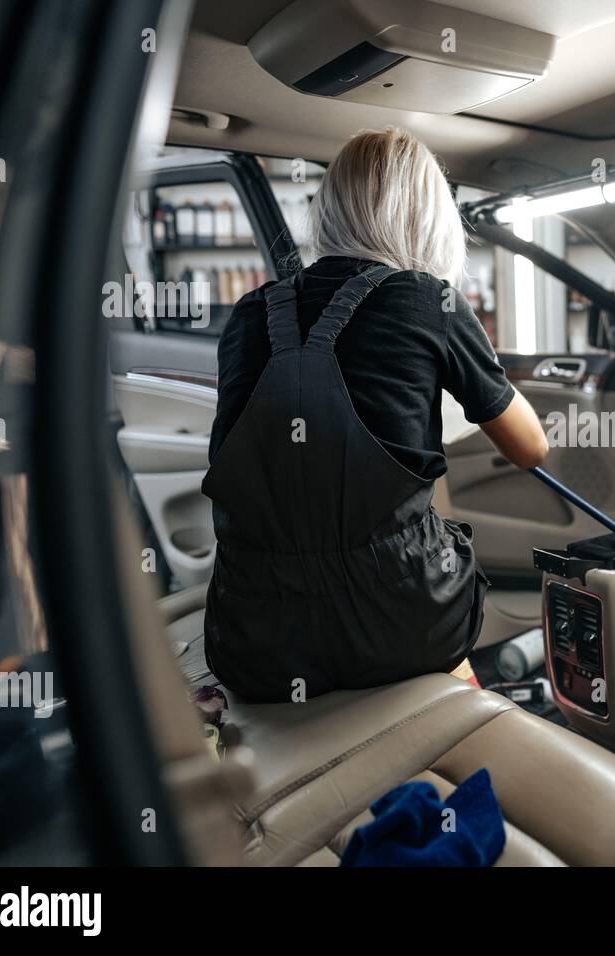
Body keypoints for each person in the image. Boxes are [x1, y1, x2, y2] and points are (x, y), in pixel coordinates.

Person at [202, 128, 547, 702]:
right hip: (403, 628)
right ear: (428, 217)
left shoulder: (248, 315)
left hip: (253, 638)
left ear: (331, 211)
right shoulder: (429, 300)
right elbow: (530, 448)